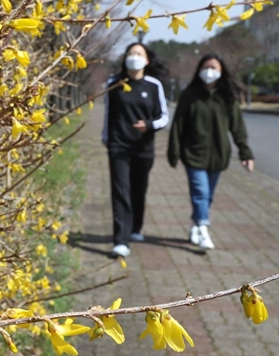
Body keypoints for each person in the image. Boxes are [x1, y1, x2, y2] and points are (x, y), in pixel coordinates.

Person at [168, 54, 254, 250]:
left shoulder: (227, 97)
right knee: (200, 192)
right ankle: (204, 228)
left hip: (218, 155)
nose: (209, 71)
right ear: (199, 70)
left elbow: (237, 128)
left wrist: (245, 153)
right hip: (193, 154)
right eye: (206, 67)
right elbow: (178, 126)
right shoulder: (189, 96)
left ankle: (194, 225)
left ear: (221, 71)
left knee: (207, 197)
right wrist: (174, 152)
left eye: (214, 67)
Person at [103, 43, 169, 258]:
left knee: (138, 189)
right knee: (120, 191)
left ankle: (135, 228)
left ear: (147, 60)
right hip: (118, 145)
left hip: (143, 147)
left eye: (139, 54)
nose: (134, 57)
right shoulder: (114, 83)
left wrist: (148, 125)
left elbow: (163, 117)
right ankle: (120, 240)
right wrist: (106, 138)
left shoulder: (153, 85)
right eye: (130, 53)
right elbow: (107, 114)